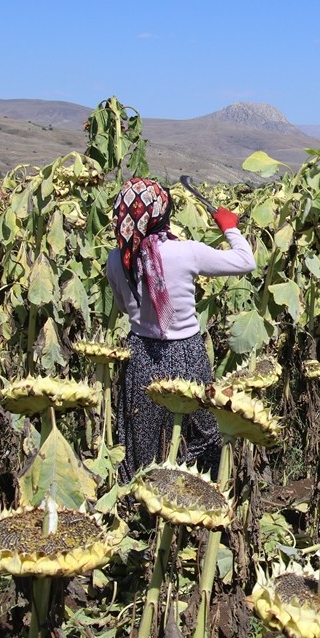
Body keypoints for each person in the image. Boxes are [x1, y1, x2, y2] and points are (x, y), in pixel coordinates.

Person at [105, 177, 256, 483]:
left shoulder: (116, 259)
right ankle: (197, 498)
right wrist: (230, 228)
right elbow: (245, 262)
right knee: (201, 429)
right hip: (186, 353)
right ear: (163, 214)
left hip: (141, 355)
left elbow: (122, 306)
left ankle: (143, 510)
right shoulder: (187, 252)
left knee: (143, 436)